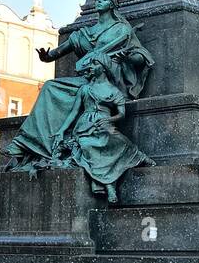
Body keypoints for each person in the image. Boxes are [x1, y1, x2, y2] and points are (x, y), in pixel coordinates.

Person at [7, 0, 153, 170]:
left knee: (57, 90)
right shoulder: (84, 33)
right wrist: (47, 57)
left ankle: (35, 144)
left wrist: (127, 58)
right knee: (49, 86)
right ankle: (29, 142)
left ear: (112, 4)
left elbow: (141, 57)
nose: (99, 1)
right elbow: (58, 52)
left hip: (107, 82)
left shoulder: (121, 30)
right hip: (86, 79)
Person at [54, 51, 154, 204]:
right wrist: (61, 130)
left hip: (105, 124)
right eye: (91, 64)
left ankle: (139, 157)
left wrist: (109, 118)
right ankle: (109, 187)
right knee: (88, 147)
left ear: (104, 67)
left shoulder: (114, 91)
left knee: (119, 141)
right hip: (84, 126)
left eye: (95, 64)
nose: (91, 67)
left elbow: (121, 113)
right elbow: (73, 113)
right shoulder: (85, 89)